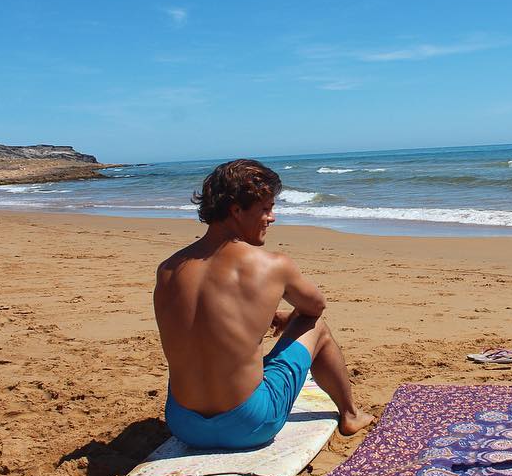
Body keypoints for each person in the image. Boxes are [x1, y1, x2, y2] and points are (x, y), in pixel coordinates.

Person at [153, 159, 373, 449]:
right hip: (248, 425)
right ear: (236, 210)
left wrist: (266, 316)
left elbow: (204, 323)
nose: (272, 218)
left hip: (183, 424)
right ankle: (351, 414)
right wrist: (290, 316)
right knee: (317, 326)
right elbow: (315, 307)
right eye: (266, 209)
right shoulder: (272, 265)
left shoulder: (168, 269)